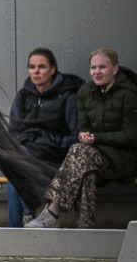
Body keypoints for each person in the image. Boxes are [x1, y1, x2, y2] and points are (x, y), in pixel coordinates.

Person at [26, 48, 137, 228]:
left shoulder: (128, 94)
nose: (97, 72)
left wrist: (96, 138)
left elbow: (132, 136)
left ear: (115, 69)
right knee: (86, 171)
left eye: (103, 67)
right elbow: (83, 125)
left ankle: (52, 211)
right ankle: (85, 226)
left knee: (79, 151)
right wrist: (84, 134)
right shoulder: (85, 91)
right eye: (93, 67)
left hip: (122, 162)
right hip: (93, 159)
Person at [6, 47, 83, 227]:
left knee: (15, 164)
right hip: (27, 153)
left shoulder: (68, 96)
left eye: (41, 67)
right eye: (32, 67)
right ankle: (26, 217)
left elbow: (75, 135)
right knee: (14, 162)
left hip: (55, 155)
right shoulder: (23, 96)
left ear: (52, 69)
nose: (36, 71)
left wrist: (52, 143)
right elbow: (13, 132)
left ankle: (19, 224)